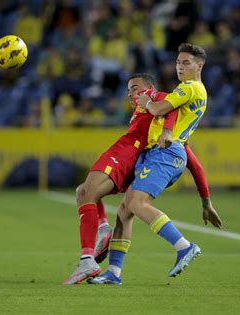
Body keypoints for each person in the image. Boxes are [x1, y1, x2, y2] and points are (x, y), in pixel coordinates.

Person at [63, 72, 221, 284]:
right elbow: (195, 165)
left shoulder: (157, 100)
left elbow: (170, 106)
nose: (131, 93)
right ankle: (113, 272)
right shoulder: (144, 112)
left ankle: (183, 246)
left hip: (137, 154)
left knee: (109, 197)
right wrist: (206, 201)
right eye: (128, 89)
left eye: (135, 88)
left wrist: (166, 130)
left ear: (149, 88)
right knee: (116, 207)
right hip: (142, 159)